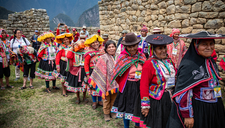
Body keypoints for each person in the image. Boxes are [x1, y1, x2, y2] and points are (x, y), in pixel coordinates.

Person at [167, 31, 225, 128]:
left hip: (214, 107)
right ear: (195, 45)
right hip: (199, 109)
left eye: (211, 44)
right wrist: (187, 115)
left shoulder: (211, 62)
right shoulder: (188, 65)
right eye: (204, 44)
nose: (209, 47)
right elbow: (183, 92)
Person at [132, 34, 175, 128]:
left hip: (169, 98)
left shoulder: (169, 61)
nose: (163, 50)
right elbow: (144, 85)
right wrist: (145, 105)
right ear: (153, 50)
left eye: (164, 47)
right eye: (160, 48)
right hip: (156, 100)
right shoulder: (149, 63)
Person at [110, 33, 146, 128]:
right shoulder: (122, 57)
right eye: (129, 47)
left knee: (138, 106)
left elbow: (146, 70)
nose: (132, 48)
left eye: (134, 46)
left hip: (140, 85)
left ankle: (137, 125)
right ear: (125, 47)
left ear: (137, 45)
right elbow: (117, 71)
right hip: (127, 85)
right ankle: (126, 126)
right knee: (126, 107)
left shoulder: (142, 56)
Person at [89, 40, 119, 122]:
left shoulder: (119, 56)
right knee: (106, 99)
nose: (111, 49)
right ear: (106, 49)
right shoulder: (103, 58)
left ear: (116, 48)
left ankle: (112, 112)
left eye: (113, 47)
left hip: (116, 83)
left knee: (114, 99)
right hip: (106, 82)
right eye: (109, 47)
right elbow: (99, 70)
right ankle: (106, 114)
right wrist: (103, 81)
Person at [83, 34, 105, 109]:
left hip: (101, 71)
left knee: (100, 86)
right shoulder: (88, 52)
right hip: (92, 71)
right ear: (90, 44)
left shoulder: (102, 50)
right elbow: (86, 64)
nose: (95, 44)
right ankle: (94, 102)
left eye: (96, 42)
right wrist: (88, 74)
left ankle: (99, 101)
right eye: (93, 43)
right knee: (93, 86)